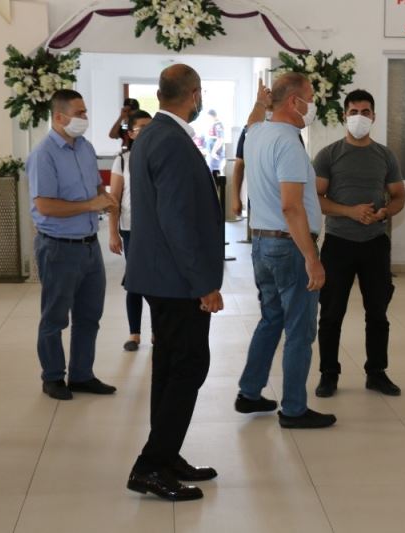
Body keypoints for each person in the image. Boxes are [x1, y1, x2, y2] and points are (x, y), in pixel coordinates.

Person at [124, 64, 224, 502]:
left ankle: (165, 456)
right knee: (189, 367)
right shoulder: (171, 141)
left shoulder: (151, 135)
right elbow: (177, 220)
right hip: (176, 280)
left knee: (169, 367)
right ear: (194, 94)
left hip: (159, 274)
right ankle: (150, 465)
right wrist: (204, 283)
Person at [235, 75, 336, 429]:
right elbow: (291, 207)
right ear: (294, 102)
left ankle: (249, 392)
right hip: (289, 246)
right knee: (299, 331)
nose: (313, 105)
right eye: (310, 97)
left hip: (262, 243)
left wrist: (259, 102)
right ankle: (294, 409)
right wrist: (312, 258)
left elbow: (251, 120)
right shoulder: (288, 143)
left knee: (271, 319)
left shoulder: (255, 134)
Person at [313, 89, 405, 398]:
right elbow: (316, 198)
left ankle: (376, 373)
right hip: (338, 243)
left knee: (378, 313)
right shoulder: (329, 155)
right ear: (344, 116)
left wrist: (384, 212)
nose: (359, 117)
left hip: (375, 243)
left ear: (374, 116)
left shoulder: (385, 156)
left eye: (365, 112)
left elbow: (398, 196)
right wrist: (349, 211)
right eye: (354, 112)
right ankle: (328, 374)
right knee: (331, 314)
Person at [27, 89, 119, 401]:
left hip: (89, 245)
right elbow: (45, 206)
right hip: (58, 247)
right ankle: (53, 377)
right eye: (79, 113)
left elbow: (97, 188)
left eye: (85, 112)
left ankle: (82, 375)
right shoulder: (44, 155)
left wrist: (106, 199)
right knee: (55, 317)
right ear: (59, 116)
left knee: (89, 315)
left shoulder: (85, 148)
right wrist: (91, 205)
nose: (85, 118)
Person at [108, 109, 152, 352]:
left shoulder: (161, 156)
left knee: (157, 280)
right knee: (134, 280)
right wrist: (113, 232)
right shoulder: (123, 160)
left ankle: (157, 332)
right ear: (131, 133)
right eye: (141, 128)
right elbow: (114, 198)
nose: (146, 132)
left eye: (150, 127)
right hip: (131, 228)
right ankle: (134, 333)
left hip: (157, 230)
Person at [205, 109, 225, 173]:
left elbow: (220, 139)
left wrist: (214, 151)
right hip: (211, 152)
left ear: (213, 116)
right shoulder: (214, 124)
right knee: (210, 172)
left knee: (215, 173)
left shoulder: (218, 125)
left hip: (215, 153)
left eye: (209, 117)